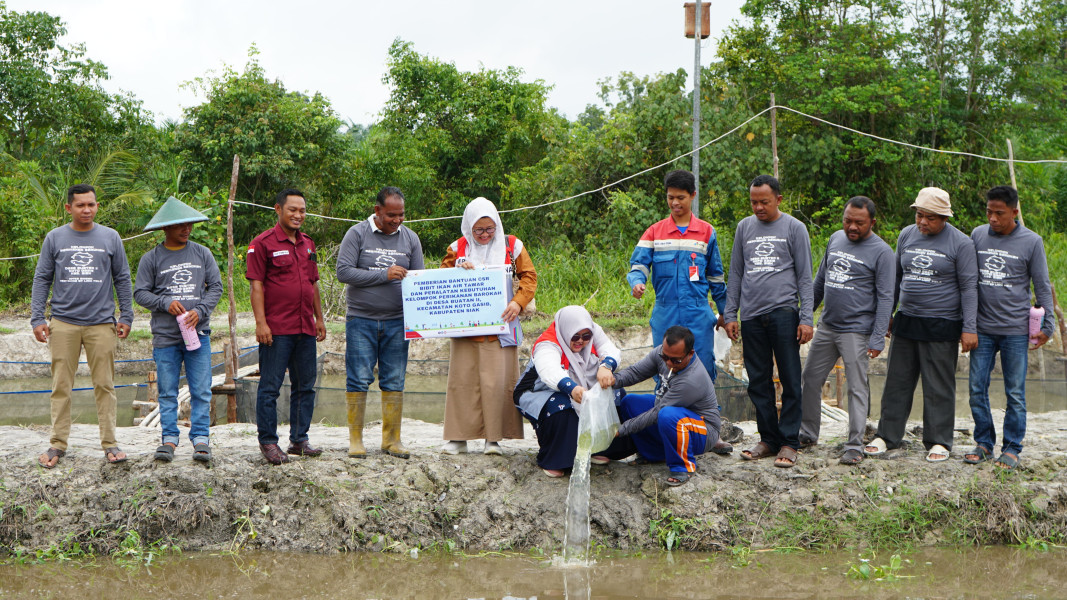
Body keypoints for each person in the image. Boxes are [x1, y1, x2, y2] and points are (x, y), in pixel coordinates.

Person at [865, 187, 978, 462]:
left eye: (930, 217)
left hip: (942, 324)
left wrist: (969, 327)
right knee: (897, 381)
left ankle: (939, 440)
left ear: (944, 218)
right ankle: (887, 435)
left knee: (938, 385)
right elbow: (895, 279)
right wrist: (888, 314)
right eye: (919, 215)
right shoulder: (906, 235)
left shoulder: (960, 244)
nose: (923, 222)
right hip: (907, 320)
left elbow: (969, 287)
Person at [627, 169, 734, 454]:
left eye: (681, 198)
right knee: (662, 372)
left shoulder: (706, 232)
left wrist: (726, 314)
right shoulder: (654, 232)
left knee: (704, 372)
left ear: (693, 197)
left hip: (698, 314)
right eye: (670, 198)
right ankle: (660, 433)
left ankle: (711, 433)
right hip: (665, 313)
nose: (675, 203)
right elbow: (638, 265)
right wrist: (638, 283)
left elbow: (716, 279)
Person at [32, 183, 134, 468]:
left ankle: (110, 443)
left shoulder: (111, 238)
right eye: (80, 205)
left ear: (97, 206)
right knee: (61, 385)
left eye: (91, 204)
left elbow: (123, 279)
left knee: (104, 384)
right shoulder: (55, 238)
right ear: (69, 208)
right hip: (63, 324)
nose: (86, 209)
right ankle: (57, 444)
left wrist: (126, 316)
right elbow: (42, 279)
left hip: (102, 324)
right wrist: (37, 318)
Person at [723, 174, 813, 468]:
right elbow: (736, 273)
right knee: (758, 381)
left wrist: (807, 318)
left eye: (764, 202)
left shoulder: (794, 228)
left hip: (784, 314)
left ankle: (789, 442)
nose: (758, 207)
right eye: (753, 202)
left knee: (789, 379)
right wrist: (730, 314)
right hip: (751, 316)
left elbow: (804, 277)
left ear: (778, 200)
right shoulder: (744, 228)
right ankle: (768, 439)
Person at [798, 197, 894, 465]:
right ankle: (807, 433)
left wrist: (877, 337)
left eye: (859, 223)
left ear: (872, 223)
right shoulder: (835, 239)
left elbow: (886, 297)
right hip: (827, 325)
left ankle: (854, 444)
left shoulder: (882, 252)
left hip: (856, 331)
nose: (852, 227)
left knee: (856, 387)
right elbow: (820, 281)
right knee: (810, 378)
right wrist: (806, 314)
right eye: (847, 220)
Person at [965, 186, 1054, 470]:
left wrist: (1048, 325)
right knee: (977, 388)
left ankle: (1013, 447)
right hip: (982, 329)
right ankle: (984, 443)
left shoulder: (1031, 241)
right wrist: (966, 323)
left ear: (1014, 212)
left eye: (999, 213)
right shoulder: (977, 235)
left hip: (1016, 330)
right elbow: (967, 281)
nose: (992, 218)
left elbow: (1041, 285)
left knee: (1015, 392)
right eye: (989, 212)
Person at [440, 197, 537, 455]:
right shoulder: (457, 247)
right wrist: (458, 269)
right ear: (468, 227)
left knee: (496, 382)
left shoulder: (512, 246)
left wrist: (518, 302)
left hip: (500, 327)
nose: (484, 235)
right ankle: (457, 438)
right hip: (466, 329)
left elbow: (529, 276)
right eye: (478, 230)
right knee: (463, 381)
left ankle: (493, 439)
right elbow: (439, 279)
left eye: (489, 229)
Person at [336, 186, 425, 459]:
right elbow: (343, 272)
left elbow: (419, 279)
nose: (397, 220)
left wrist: (422, 320)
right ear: (377, 211)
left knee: (394, 378)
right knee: (358, 378)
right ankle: (356, 441)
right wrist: (383, 275)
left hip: (398, 322)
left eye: (401, 215)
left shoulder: (410, 239)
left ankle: (391, 440)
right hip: (361, 319)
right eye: (391, 215)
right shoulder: (357, 234)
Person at [134, 197, 223, 464]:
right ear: (165, 229)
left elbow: (215, 287)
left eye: (190, 225)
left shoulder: (202, 253)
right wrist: (164, 302)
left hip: (199, 335)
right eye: (180, 225)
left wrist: (201, 311)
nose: (187, 229)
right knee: (168, 391)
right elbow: (140, 293)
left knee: (201, 389)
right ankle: (169, 439)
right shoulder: (151, 259)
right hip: (165, 337)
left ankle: (200, 439)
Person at [246, 189, 327, 465]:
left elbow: (313, 283)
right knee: (270, 386)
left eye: (302, 210)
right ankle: (268, 442)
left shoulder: (308, 244)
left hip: (305, 326)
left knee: (306, 385)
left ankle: (299, 440)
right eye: (292, 210)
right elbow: (256, 286)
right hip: (277, 328)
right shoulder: (262, 244)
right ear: (278, 209)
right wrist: (261, 323)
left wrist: (319, 318)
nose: (298, 215)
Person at [597, 326, 721, 487]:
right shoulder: (661, 354)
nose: (669, 363)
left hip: (703, 430)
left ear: (690, 354)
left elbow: (657, 413)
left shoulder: (691, 380)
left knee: (667, 415)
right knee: (630, 402)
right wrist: (613, 380)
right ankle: (655, 454)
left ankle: (683, 467)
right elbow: (636, 373)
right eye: (665, 357)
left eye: (676, 360)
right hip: (671, 413)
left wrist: (621, 430)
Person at [514, 306, 620, 477]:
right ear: (565, 331)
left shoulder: (592, 330)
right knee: (562, 405)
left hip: (579, 386)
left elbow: (611, 349)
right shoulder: (547, 344)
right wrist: (571, 388)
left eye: (586, 337)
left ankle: (599, 447)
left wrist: (606, 366)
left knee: (616, 393)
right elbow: (550, 371)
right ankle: (554, 458)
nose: (581, 341)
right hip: (538, 392)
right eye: (575, 336)